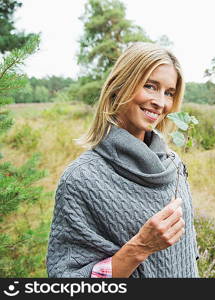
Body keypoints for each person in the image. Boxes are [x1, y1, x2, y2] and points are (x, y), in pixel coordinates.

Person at [46, 43, 199, 278]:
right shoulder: (80, 179)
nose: (160, 102)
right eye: (150, 86)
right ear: (120, 86)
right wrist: (140, 247)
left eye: (169, 92)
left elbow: (186, 251)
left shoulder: (174, 165)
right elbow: (66, 279)